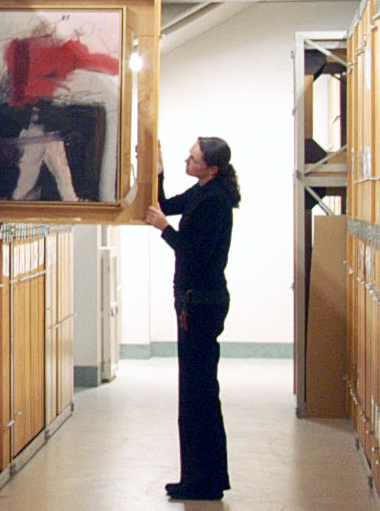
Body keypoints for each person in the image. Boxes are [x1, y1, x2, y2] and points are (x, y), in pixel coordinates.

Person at [145, 137, 241, 501]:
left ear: (211, 167)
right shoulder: (204, 190)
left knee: (198, 393)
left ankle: (205, 480)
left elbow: (195, 251)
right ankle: (200, 477)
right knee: (195, 393)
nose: (188, 160)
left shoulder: (215, 201)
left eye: (193, 158)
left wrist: (164, 229)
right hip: (193, 301)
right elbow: (165, 205)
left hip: (200, 304)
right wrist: (158, 170)